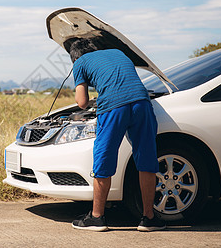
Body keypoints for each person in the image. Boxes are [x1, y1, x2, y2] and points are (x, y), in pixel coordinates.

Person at [69, 38, 166, 232]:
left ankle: (97, 217)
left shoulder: (80, 63)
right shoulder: (118, 53)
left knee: (104, 158)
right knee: (146, 158)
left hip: (114, 108)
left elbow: (81, 102)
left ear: (74, 57)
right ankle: (149, 218)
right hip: (142, 102)